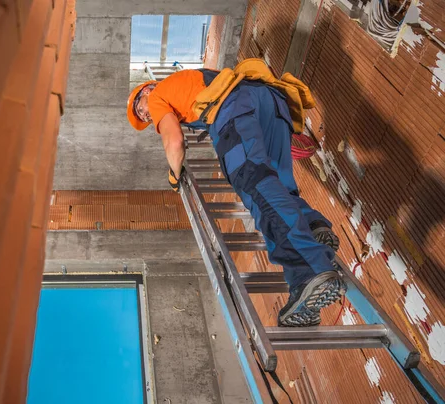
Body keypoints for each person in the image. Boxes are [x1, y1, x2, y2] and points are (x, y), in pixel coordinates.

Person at [126, 59, 346, 327]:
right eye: (144, 118)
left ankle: (309, 270)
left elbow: (174, 142)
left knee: (255, 185)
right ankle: (313, 228)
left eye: (141, 109)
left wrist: (174, 175)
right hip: (269, 100)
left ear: (148, 90)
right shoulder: (186, 83)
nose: (147, 117)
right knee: (276, 185)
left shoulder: (159, 95)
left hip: (233, 110)